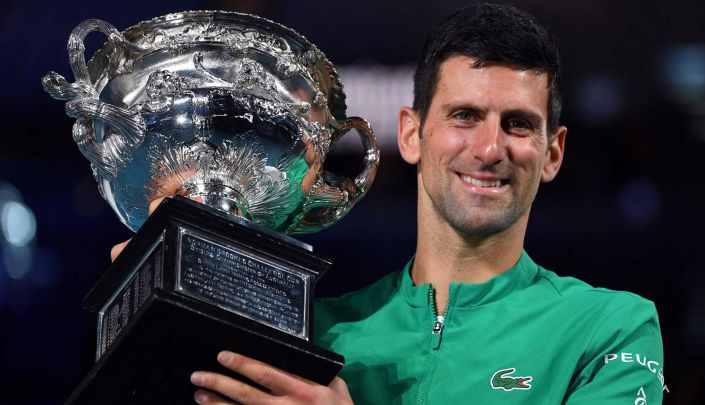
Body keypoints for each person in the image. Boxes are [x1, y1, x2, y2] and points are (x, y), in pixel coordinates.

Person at [121, 3, 667, 404]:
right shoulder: (316, 333)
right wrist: (159, 310)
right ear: (410, 135)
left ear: (553, 153)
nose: (489, 148)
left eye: (518, 125)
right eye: (464, 116)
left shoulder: (609, 328)